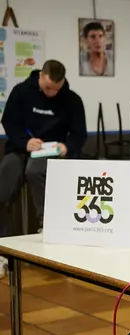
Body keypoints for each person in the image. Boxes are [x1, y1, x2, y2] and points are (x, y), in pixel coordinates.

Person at [0, 60, 87, 242]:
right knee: (6, 176)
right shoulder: (21, 92)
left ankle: (46, 225)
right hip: (21, 147)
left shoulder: (72, 100)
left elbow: (79, 134)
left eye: (57, 89)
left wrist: (67, 147)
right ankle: (5, 238)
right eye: (48, 88)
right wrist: (25, 142)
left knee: (35, 171)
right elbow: (9, 122)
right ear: (40, 76)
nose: (52, 93)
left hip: (52, 151)